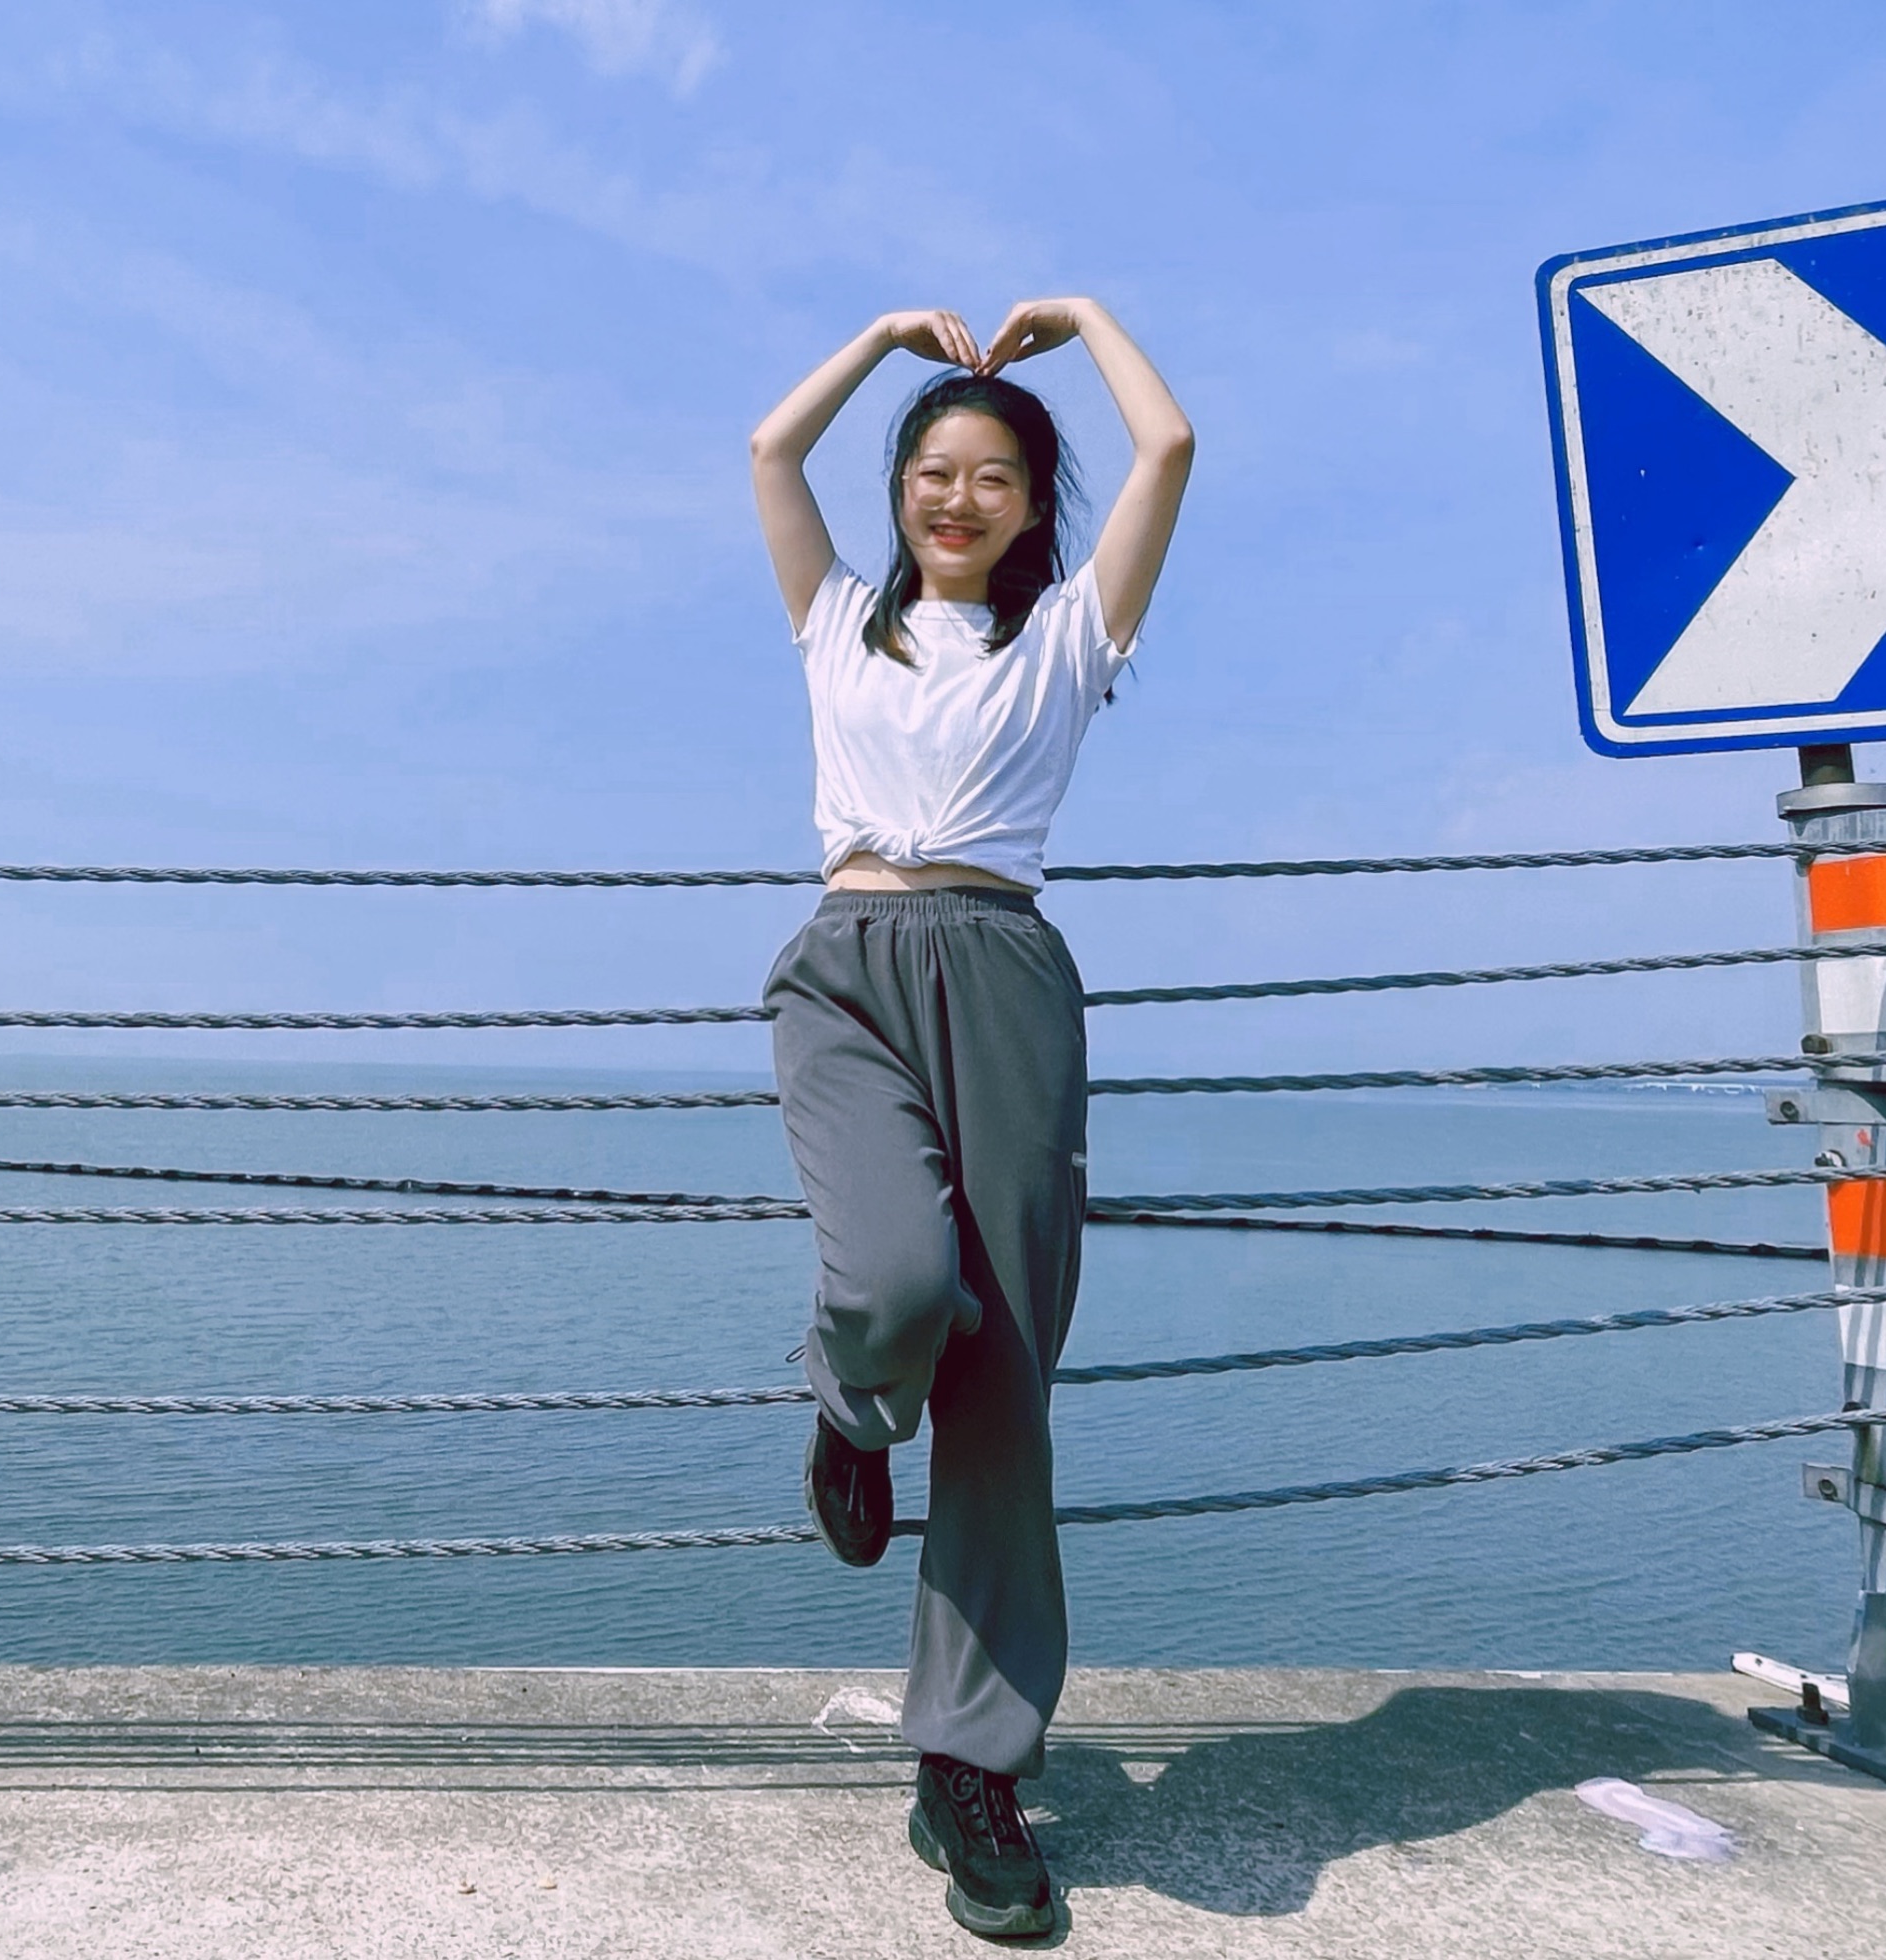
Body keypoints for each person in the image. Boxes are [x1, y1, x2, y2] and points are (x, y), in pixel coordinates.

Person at [749, 298, 1191, 1940]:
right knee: (894, 1281)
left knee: (1003, 1383)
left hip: (1004, 975)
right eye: (931, 473)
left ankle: (970, 1764)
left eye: (990, 475)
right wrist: (878, 338)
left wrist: (1081, 323)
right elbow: (767, 448)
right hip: (845, 968)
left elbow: (1168, 447)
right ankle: (851, 1405)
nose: (955, 497)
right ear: (903, 494)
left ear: (1027, 503)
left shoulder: (1070, 637)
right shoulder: (836, 621)